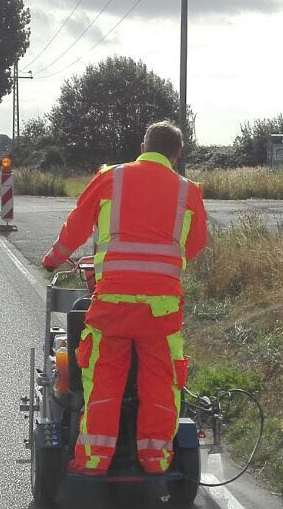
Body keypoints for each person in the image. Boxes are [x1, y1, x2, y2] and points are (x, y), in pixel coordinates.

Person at [41, 121, 208, 476]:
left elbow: (78, 223)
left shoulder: (111, 178)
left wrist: (54, 258)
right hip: (161, 308)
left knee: (103, 376)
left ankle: (93, 460)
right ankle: (155, 459)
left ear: (143, 144)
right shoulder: (187, 191)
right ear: (176, 155)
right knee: (161, 382)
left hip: (113, 303)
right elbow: (195, 243)